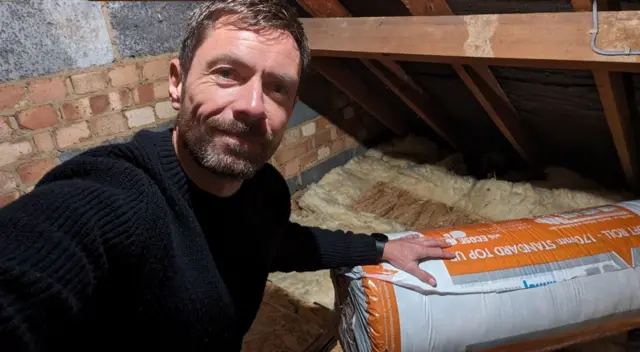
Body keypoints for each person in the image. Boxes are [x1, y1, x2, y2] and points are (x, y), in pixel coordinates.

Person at [0, 1, 455, 350]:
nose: (253, 106)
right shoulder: (116, 195)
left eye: (277, 87)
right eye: (226, 74)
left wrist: (380, 246)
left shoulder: (265, 191)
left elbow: (275, 243)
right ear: (177, 83)